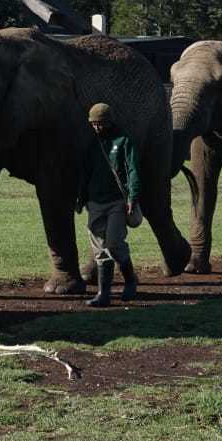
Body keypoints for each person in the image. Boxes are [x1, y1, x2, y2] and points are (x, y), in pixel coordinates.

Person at [76, 102, 142, 307]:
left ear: (109, 122)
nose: (97, 127)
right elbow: (84, 173)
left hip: (116, 202)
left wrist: (132, 197)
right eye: (94, 124)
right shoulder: (90, 144)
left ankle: (130, 281)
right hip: (94, 202)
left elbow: (133, 170)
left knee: (114, 243)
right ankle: (103, 294)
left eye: (100, 123)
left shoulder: (123, 140)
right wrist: (80, 199)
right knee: (99, 250)